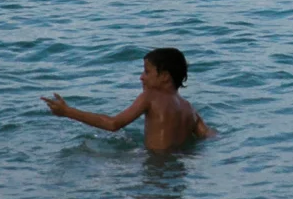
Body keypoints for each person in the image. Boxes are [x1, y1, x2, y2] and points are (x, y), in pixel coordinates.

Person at [43, 47, 215, 152]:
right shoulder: (190, 109)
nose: (141, 77)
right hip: (176, 171)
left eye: (147, 72)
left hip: (154, 166)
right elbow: (209, 136)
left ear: (164, 76)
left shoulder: (150, 96)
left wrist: (67, 112)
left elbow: (113, 124)